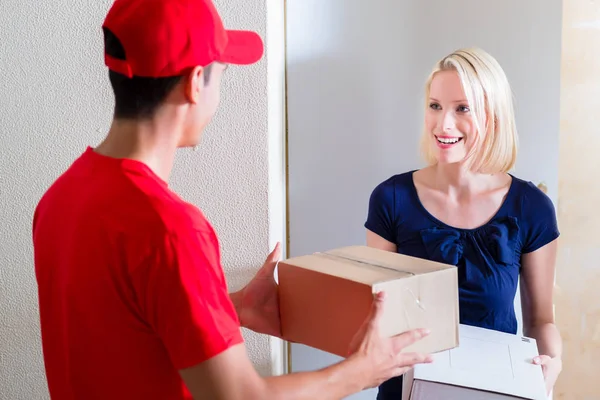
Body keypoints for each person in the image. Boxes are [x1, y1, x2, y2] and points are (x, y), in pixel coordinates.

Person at [31, 0, 434, 399]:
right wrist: (359, 371)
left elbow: (120, 321)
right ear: (194, 83)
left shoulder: (61, 197)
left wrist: (232, 307)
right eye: (222, 74)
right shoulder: (170, 230)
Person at [364, 47, 563, 399]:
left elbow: (541, 322)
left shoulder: (532, 208)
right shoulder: (391, 198)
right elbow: (378, 318)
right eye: (435, 106)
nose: (444, 125)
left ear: (493, 116)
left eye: (462, 108)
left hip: (494, 389)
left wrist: (553, 361)